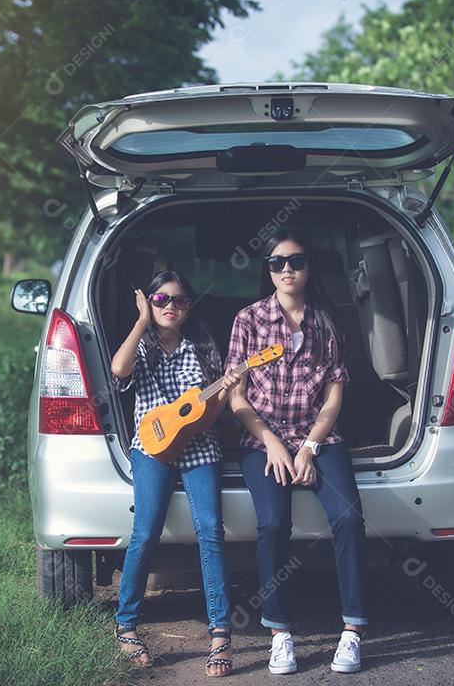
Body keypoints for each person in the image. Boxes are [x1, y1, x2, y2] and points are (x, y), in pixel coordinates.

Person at [226, 227, 368, 674]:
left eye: (296, 261)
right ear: (267, 270)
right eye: (277, 263)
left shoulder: (327, 323)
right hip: (262, 440)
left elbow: (333, 399)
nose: (287, 269)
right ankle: (280, 633)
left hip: (317, 437)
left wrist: (308, 448)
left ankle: (352, 632)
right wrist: (272, 444)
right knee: (272, 523)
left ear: (309, 268)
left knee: (348, 516)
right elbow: (237, 398)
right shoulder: (247, 321)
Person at [110, 269, 242, 677]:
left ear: (190, 305)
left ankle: (220, 632)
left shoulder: (201, 346)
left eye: (180, 300)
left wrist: (226, 389)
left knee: (211, 530)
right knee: (145, 532)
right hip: (151, 447)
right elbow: (118, 370)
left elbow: (209, 417)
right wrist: (140, 322)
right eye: (161, 299)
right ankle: (126, 624)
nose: (171, 306)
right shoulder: (144, 344)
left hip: (199, 447)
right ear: (150, 302)